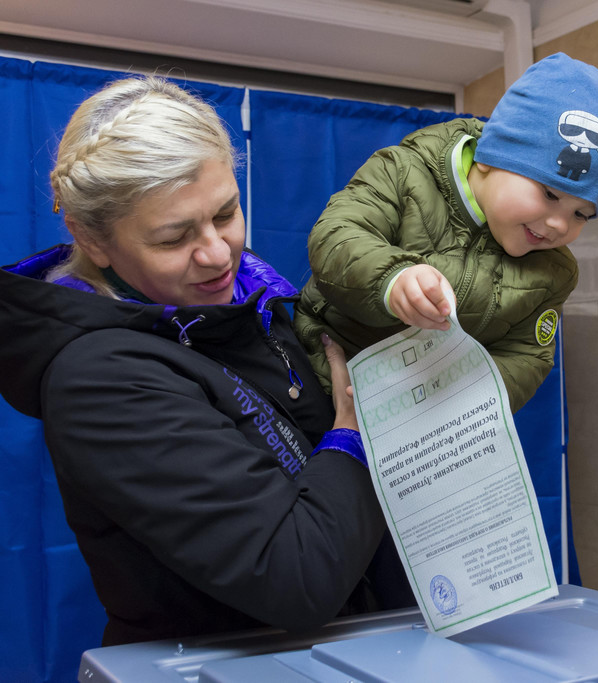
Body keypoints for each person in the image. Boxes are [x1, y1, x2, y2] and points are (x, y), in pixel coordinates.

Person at [0, 76, 412, 646]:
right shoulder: (99, 379)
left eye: (225, 213)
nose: (219, 254)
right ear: (92, 240)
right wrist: (360, 429)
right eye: (174, 239)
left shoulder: (252, 305)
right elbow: (296, 578)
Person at [294, 53, 598, 413]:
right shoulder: (404, 172)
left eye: (581, 214)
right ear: (490, 157)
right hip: (313, 377)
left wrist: (463, 403)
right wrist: (393, 280)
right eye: (550, 194)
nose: (559, 225)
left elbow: (526, 357)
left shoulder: (554, 273)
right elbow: (336, 236)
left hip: (413, 422)